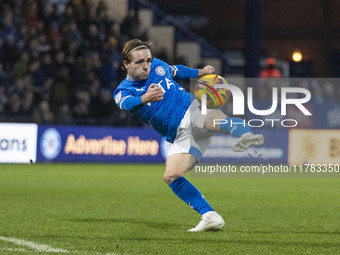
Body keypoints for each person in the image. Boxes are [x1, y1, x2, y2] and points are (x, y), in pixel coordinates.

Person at [114, 39, 264, 232]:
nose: (146, 66)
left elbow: (177, 70)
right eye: (139, 62)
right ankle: (211, 216)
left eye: (148, 60)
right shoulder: (122, 91)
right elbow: (127, 104)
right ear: (126, 64)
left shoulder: (158, 66)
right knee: (171, 175)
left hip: (190, 110)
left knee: (209, 119)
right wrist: (144, 98)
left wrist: (200, 73)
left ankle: (246, 135)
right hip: (179, 136)